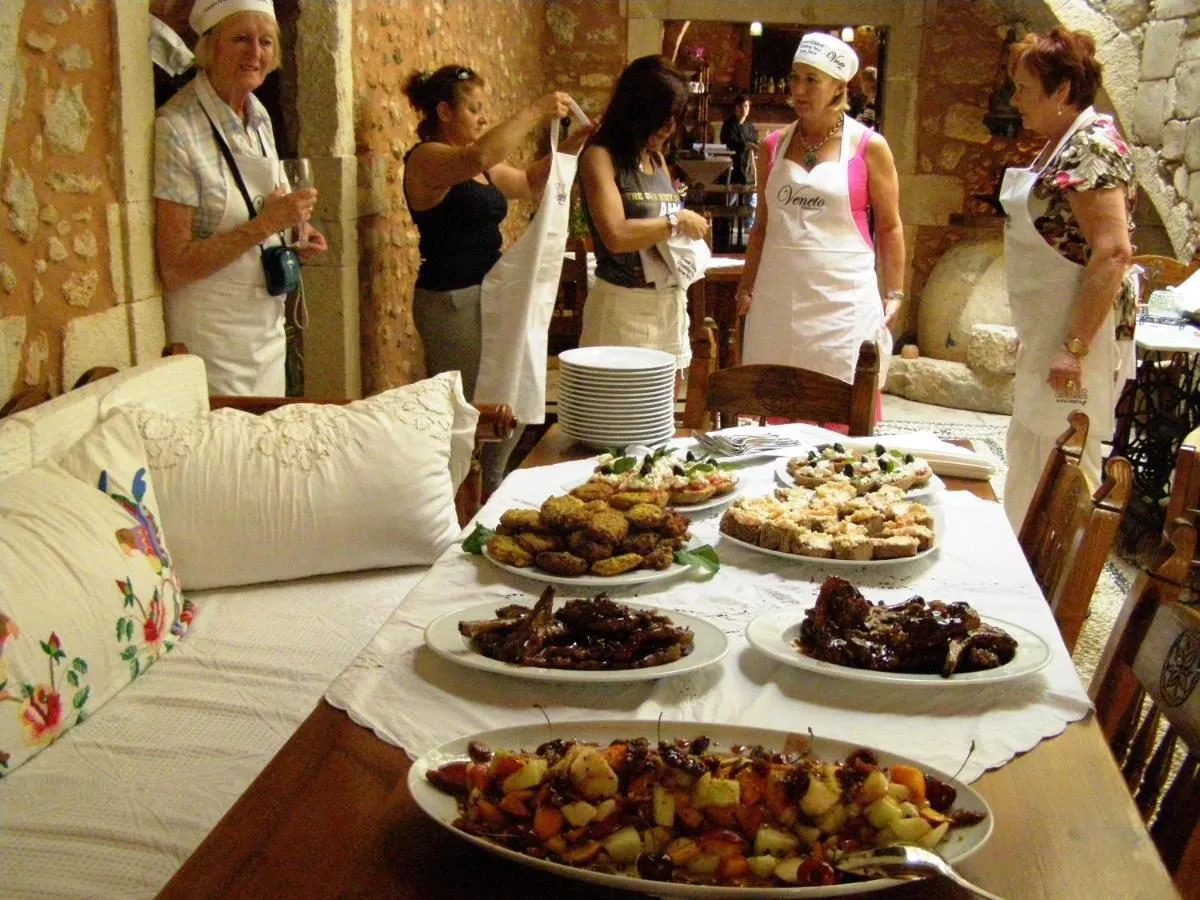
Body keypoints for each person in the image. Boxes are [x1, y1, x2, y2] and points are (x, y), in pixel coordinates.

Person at [402, 66, 586, 492]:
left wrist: (572, 145)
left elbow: (525, 182)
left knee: (513, 393)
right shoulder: (428, 158)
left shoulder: (478, 165)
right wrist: (536, 110)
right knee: (470, 408)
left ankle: (492, 486)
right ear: (444, 111)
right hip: (451, 300)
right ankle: (458, 495)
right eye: (474, 109)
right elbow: (479, 156)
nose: (483, 118)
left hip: (491, 294)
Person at [154, 0, 327, 396]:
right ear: (209, 45)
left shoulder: (259, 117)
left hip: (266, 333)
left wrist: (294, 233)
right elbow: (175, 266)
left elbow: (262, 207)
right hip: (212, 344)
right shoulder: (176, 128)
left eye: (266, 42)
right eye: (241, 39)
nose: (255, 53)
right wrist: (268, 224)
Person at [1000, 27, 1136, 529]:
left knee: (1065, 462)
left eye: (1024, 89)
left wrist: (1073, 347)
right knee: (1032, 450)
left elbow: (1113, 252)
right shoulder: (1060, 143)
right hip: (1049, 329)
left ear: (1060, 91)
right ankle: (1021, 561)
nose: (1015, 101)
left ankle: (1059, 571)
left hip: (1078, 339)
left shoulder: (1092, 147)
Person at [735, 34, 904, 408]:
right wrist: (746, 286)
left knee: (840, 398)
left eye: (812, 80)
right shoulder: (773, 146)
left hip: (841, 302)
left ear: (838, 87)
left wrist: (895, 292)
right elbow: (762, 225)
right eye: (795, 78)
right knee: (773, 399)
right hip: (778, 296)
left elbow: (890, 225)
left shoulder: (869, 146)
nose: (798, 90)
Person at [578, 55, 709, 375]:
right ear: (637, 109)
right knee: (620, 402)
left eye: (675, 117)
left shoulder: (657, 160)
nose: (669, 127)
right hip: (624, 305)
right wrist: (677, 221)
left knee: (665, 402)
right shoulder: (600, 157)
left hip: (669, 303)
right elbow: (616, 235)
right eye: (662, 116)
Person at [719, 95, 758, 250]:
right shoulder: (728, 125)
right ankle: (726, 235)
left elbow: (755, 141)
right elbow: (729, 142)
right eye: (740, 107)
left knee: (751, 200)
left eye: (746, 106)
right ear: (735, 109)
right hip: (732, 167)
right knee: (731, 202)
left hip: (748, 167)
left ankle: (749, 232)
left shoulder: (749, 126)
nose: (743, 110)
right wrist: (746, 145)